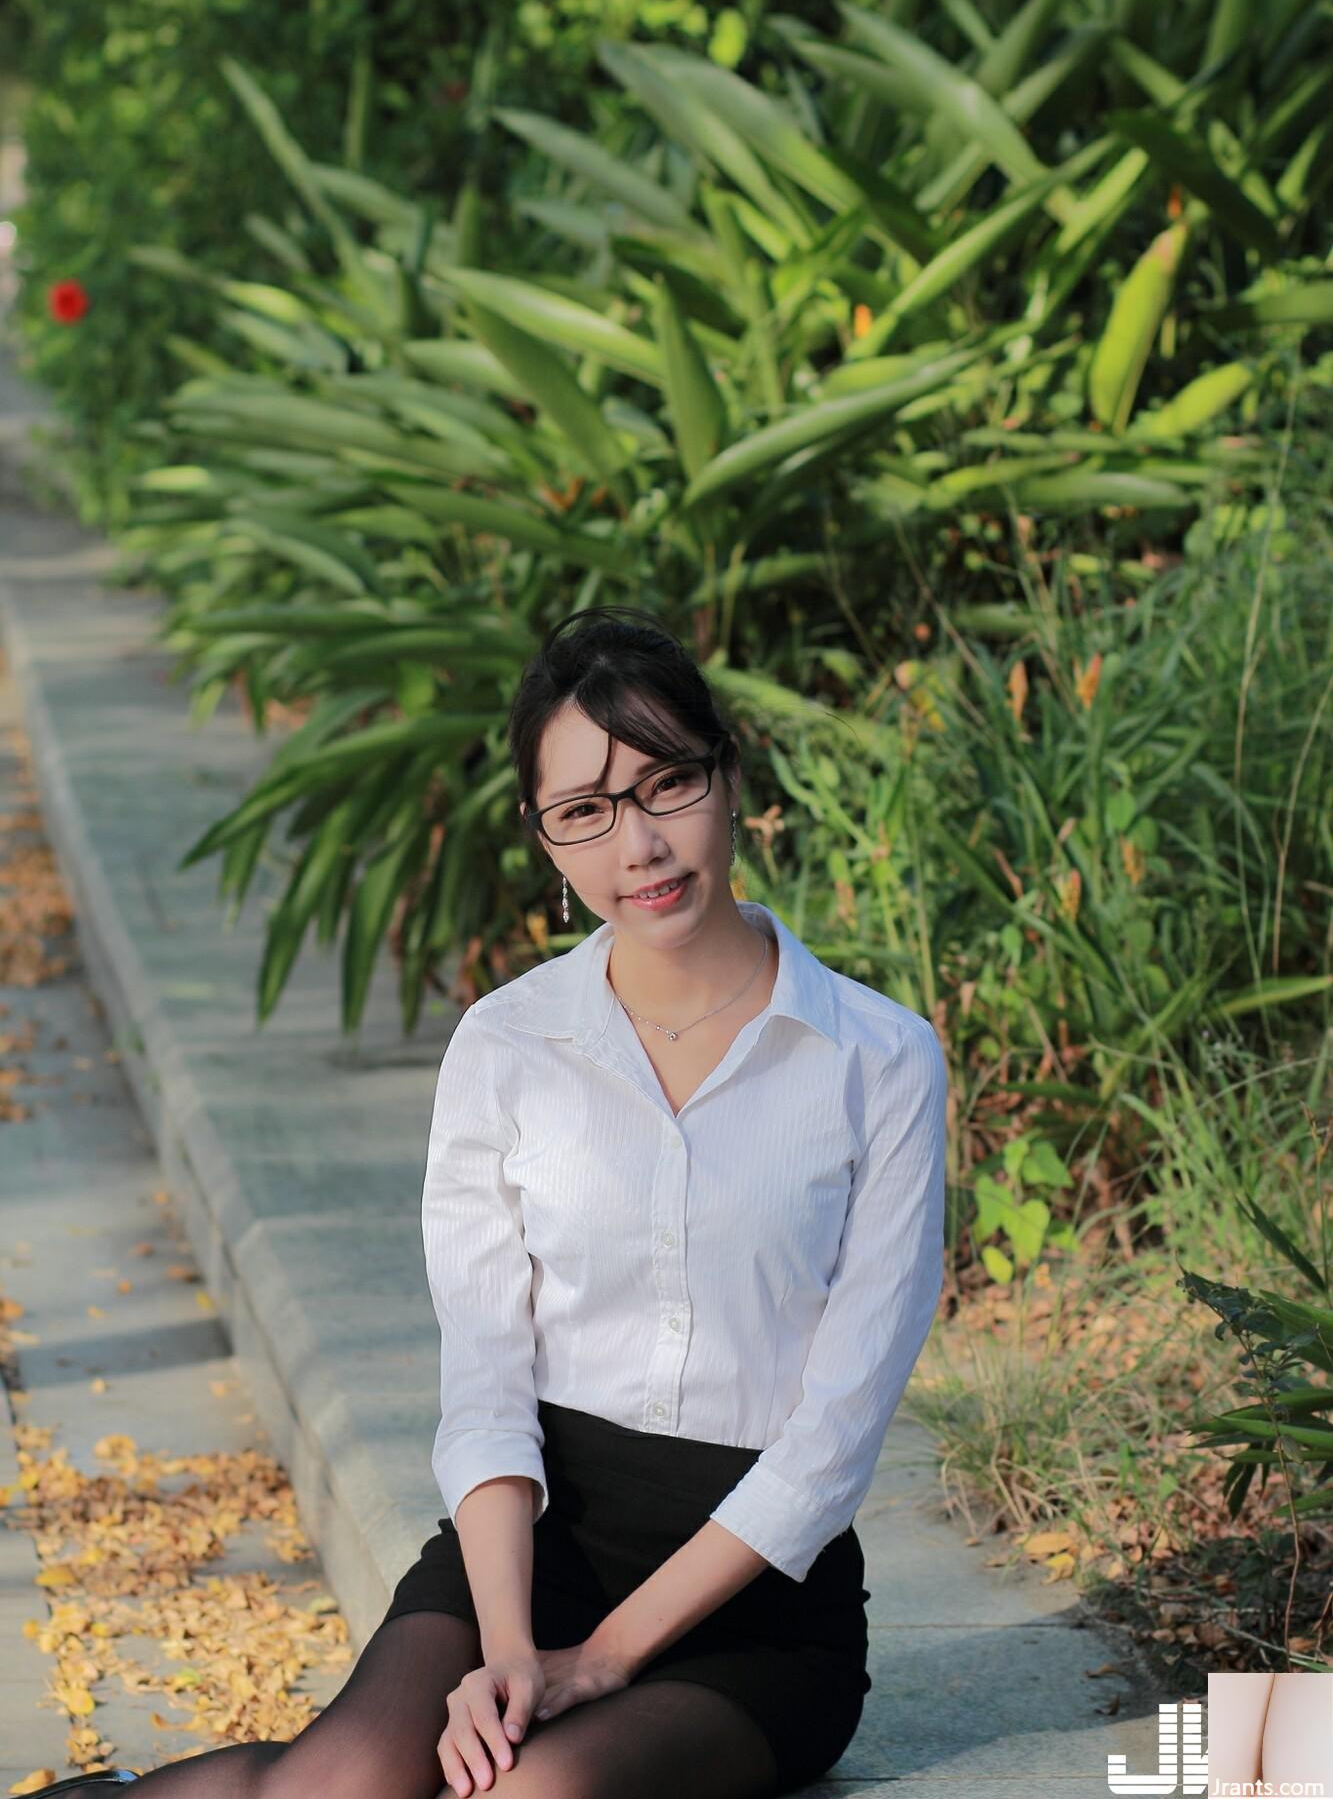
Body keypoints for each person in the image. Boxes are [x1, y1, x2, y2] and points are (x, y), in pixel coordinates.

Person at [56, 605, 947, 1798]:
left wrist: (602, 1661)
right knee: (331, 1788)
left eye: (665, 783)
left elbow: (834, 1440)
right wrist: (518, 1647)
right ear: (548, 842)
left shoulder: (878, 1058)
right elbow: (484, 1381)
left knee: (533, 1791)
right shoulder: (507, 1045)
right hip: (528, 1554)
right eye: (585, 810)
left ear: (729, 778)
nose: (638, 844)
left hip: (754, 1609)